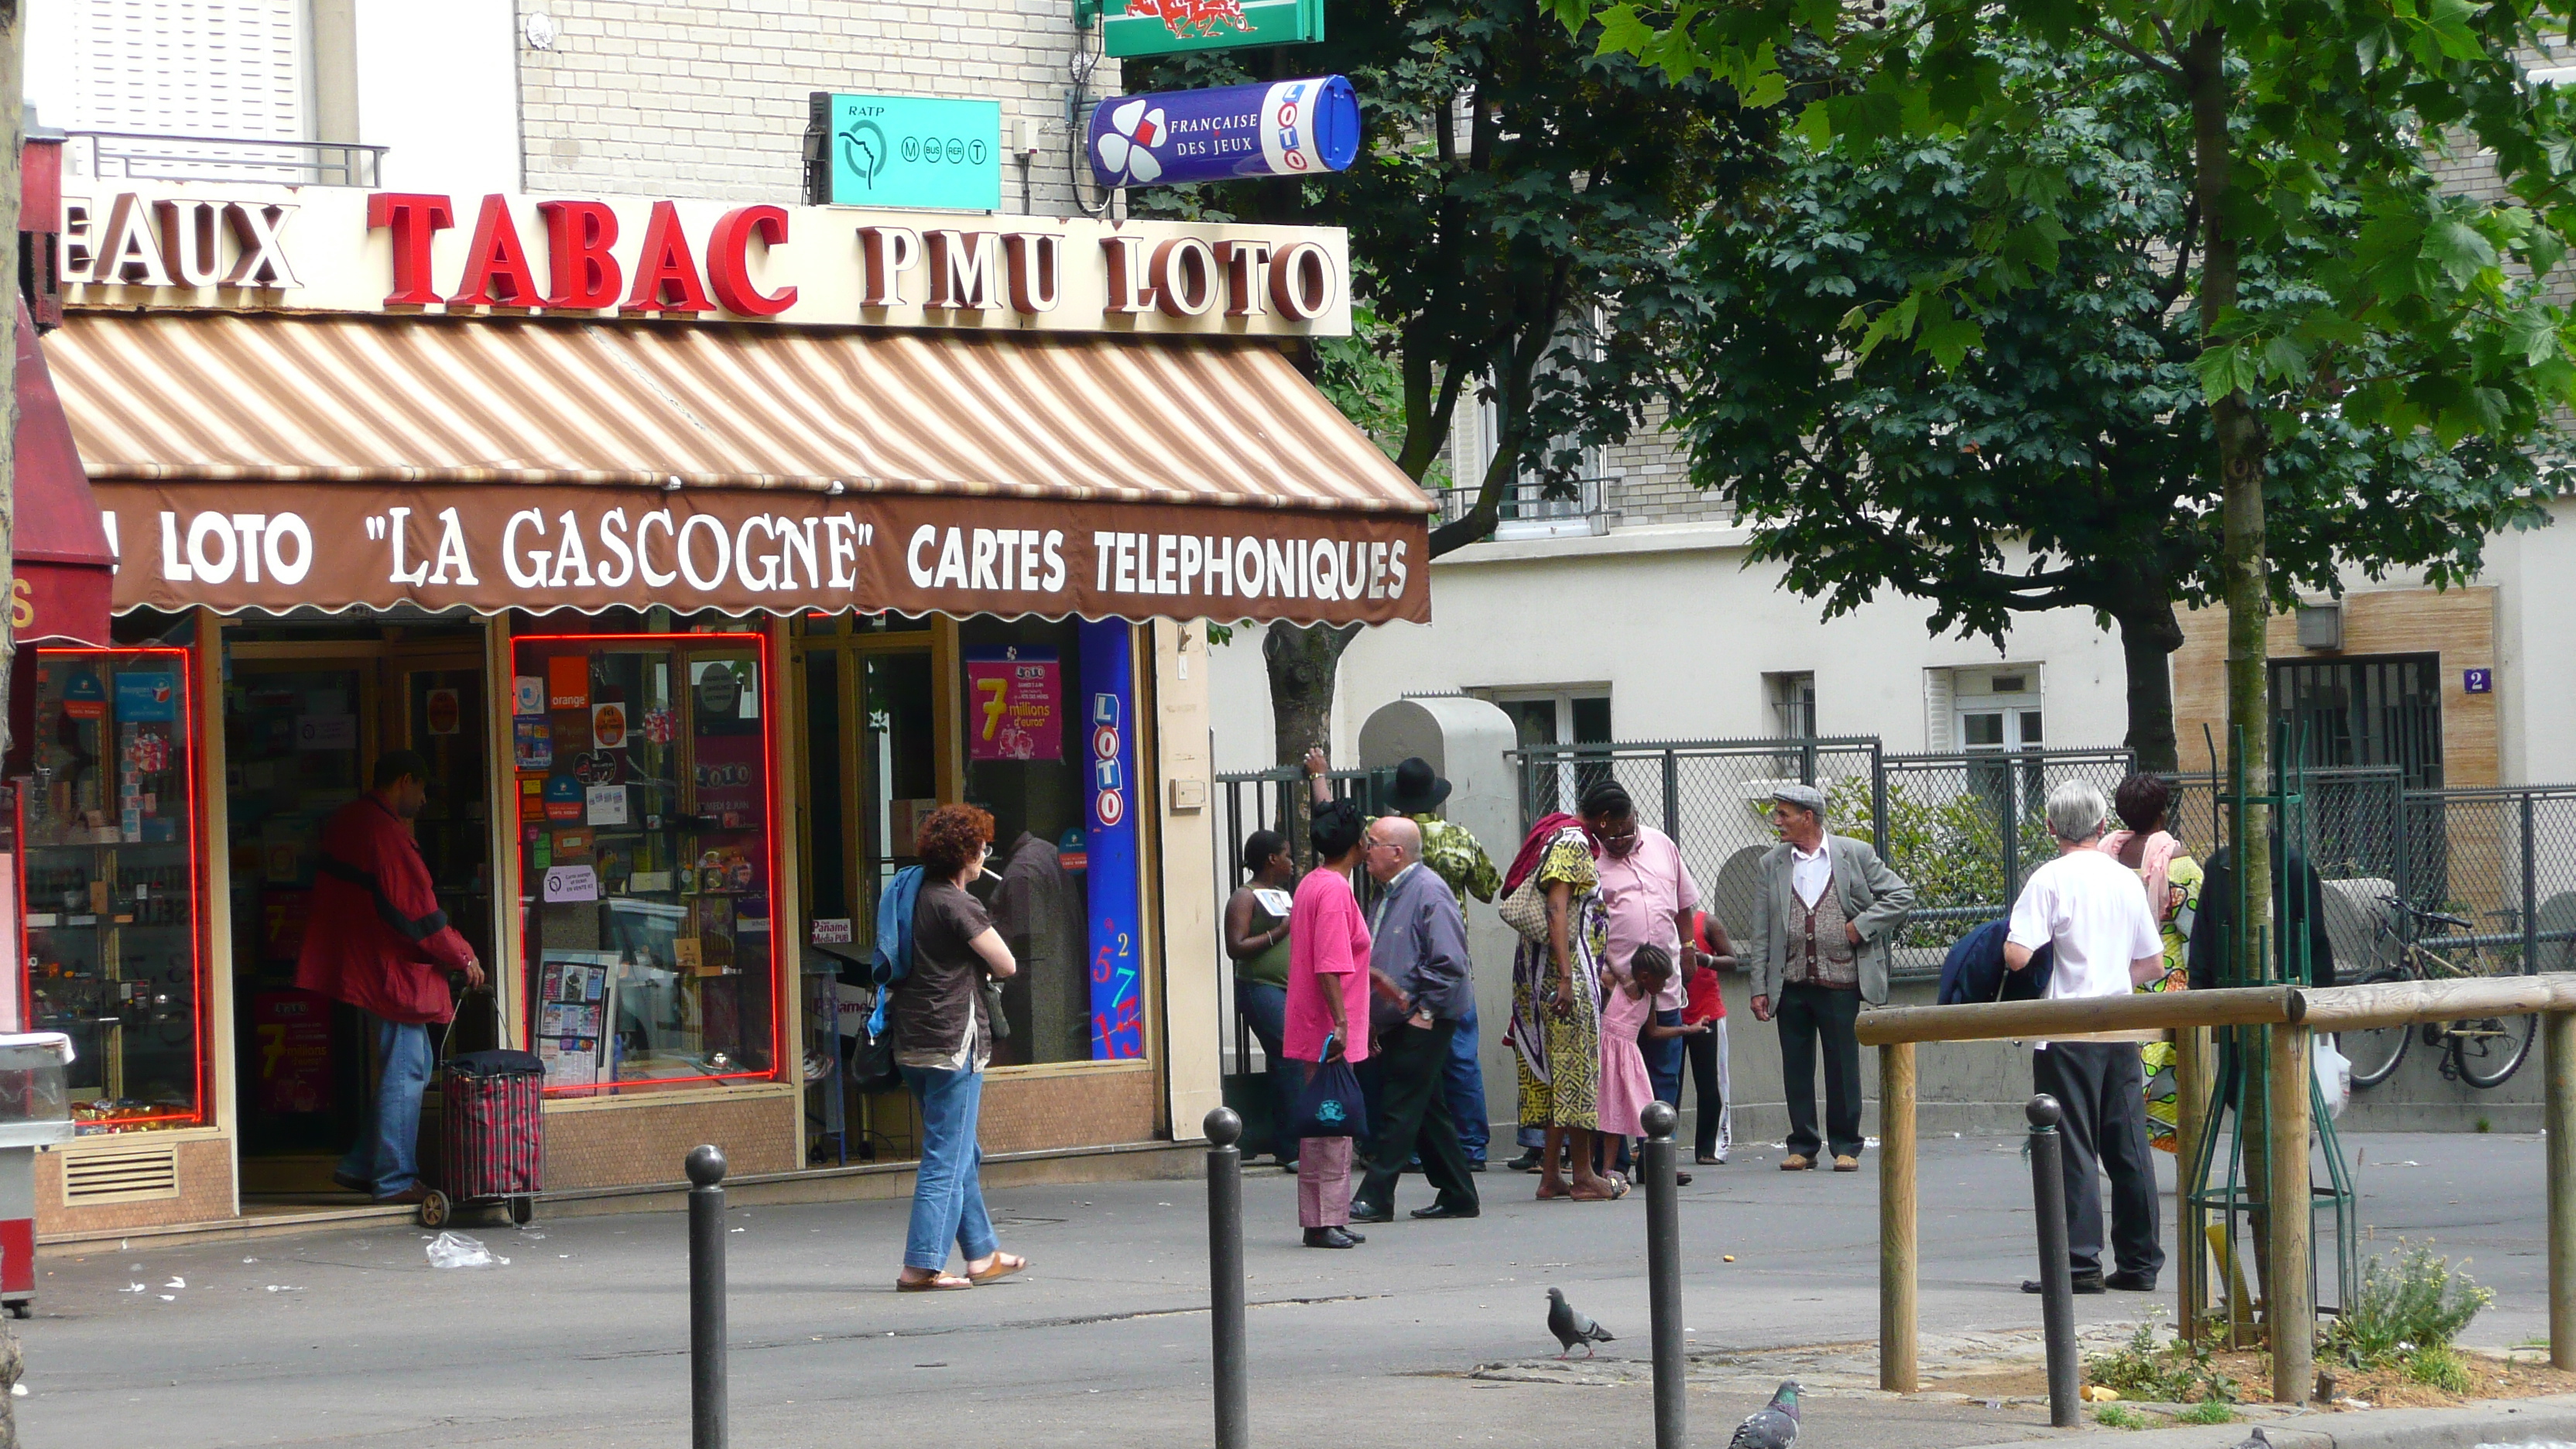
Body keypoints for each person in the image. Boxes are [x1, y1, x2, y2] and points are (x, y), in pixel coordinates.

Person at [296, 750, 485, 1206]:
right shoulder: (385, 834)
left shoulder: (350, 821)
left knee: (411, 1057)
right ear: (405, 781)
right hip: (387, 969)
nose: (423, 802)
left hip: (361, 960)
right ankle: (395, 1177)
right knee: (409, 1066)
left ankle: (363, 1164)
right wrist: (463, 955)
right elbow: (420, 915)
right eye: (421, 790)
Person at [2005, 780, 2167, 1295]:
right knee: (2128, 1146)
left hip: (2065, 1029)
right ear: (2102, 826)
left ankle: (2079, 1264)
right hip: (2120, 1025)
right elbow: (2153, 963)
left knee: (2071, 1146)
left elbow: (2017, 955)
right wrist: (2111, 975)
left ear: (2051, 827)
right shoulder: (2125, 881)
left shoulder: (2048, 880)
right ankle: (2141, 1263)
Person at [1307, 747, 1501, 1170]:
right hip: (1447, 965)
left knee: (1404, 1079)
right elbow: (1490, 887)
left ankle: (1397, 1158)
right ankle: (1471, 1149)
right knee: (1459, 1063)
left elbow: (1332, 825)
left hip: (1401, 968)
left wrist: (1318, 777)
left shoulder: (1383, 831)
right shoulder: (1458, 839)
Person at [889, 803, 1028, 1291]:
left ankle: (982, 1253)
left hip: (911, 1041)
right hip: (953, 1041)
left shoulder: (912, 893)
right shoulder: (956, 902)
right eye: (982, 847)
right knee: (946, 1156)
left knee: (960, 1149)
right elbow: (1006, 963)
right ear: (967, 855)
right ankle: (921, 1265)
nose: (986, 853)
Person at [1745, 783, 1915, 1173]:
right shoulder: (1771, 863)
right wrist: (1758, 988)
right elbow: (1760, 932)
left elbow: (1901, 895)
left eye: (1784, 814)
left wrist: (1863, 926)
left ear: (1808, 817)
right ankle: (1803, 1144)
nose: (1777, 821)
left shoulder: (1853, 853)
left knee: (1842, 1065)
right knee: (1796, 1067)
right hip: (1790, 983)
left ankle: (1846, 1145)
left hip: (1841, 980)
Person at [1348, 816, 1482, 1223]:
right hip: (1400, 1016)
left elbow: (1449, 962)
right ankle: (1459, 1193)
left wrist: (1425, 1011)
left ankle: (1376, 1196)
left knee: (1400, 1103)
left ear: (1397, 852)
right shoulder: (1388, 890)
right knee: (1426, 1107)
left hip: (1424, 1016)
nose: (1365, 850)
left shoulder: (1428, 891)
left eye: (1372, 843)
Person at [1581, 779, 1708, 1184]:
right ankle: (1611, 1165)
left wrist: (1687, 947)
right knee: (1612, 1077)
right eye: (1611, 833)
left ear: (1636, 817)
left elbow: (1684, 904)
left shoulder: (1661, 845)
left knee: (1663, 1074)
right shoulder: (1588, 858)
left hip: (1663, 986)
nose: (1619, 839)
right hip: (1616, 993)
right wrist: (1606, 976)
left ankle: (1658, 1162)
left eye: (1626, 830)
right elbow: (1583, 926)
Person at [1504, 808, 1625, 1201]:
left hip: (1545, 976)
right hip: (1564, 979)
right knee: (1576, 1073)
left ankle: (1552, 1174)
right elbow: (1557, 909)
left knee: (1558, 1076)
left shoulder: (1557, 834)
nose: (1622, 834)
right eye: (1621, 824)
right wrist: (1568, 979)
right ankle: (1585, 1176)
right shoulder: (1573, 843)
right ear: (1605, 819)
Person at [2098, 773, 2203, 1151]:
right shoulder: (2180, 866)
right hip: (2165, 985)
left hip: (2113, 981)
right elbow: (2194, 930)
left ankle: (2117, 1144)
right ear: (2163, 811)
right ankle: (2173, 1158)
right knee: (2173, 1081)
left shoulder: (2104, 860)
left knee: (2124, 1073)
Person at [1287, 798, 1374, 1249]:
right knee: (1331, 1125)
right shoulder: (1336, 891)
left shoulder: (1312, 884)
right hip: (1328, 1028)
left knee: (1330, 1126)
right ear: (1357, 843)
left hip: (1318, 1022)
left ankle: (1327, 1216)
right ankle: (1323, 1220)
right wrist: (1342, 1023)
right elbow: (1330, 963)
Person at [1225, 829, 1300, 1167]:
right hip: (1260, 987)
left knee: (1286, 1061)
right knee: (1290, 1057)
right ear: (1272, 859)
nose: (1292, 863)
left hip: (1288, 989)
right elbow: (1235, 946)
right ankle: (1292, 1147)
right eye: (1287, 855)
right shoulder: (1246, 896)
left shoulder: (1283, 894)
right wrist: (1278, 933)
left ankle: (1282, 1137)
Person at [1597, 945, 1705, 1146]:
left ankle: (1610, 1170)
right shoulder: (1615, 986)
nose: (1664, 986)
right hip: (1605, 1057)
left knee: (1621, 1114)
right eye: (1662, 980)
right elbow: (1604, 954)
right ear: (1646, 977)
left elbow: (1654, 1031)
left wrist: (1688, 1030)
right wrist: (1623, 976)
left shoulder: (1650, 999)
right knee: (1602, 1114)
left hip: (1628, 1061)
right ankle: (1592, 1170)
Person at [1680, 911, 1738, 1164]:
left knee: (1711, 1084)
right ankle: (1657, 1144)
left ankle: (1710, 1148)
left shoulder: (1707, 922)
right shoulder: (1659, 921)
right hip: (1671, 1016)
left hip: (1707, 1014)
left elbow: (1733, 960)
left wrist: (1706, 960)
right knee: (1669, 1084)